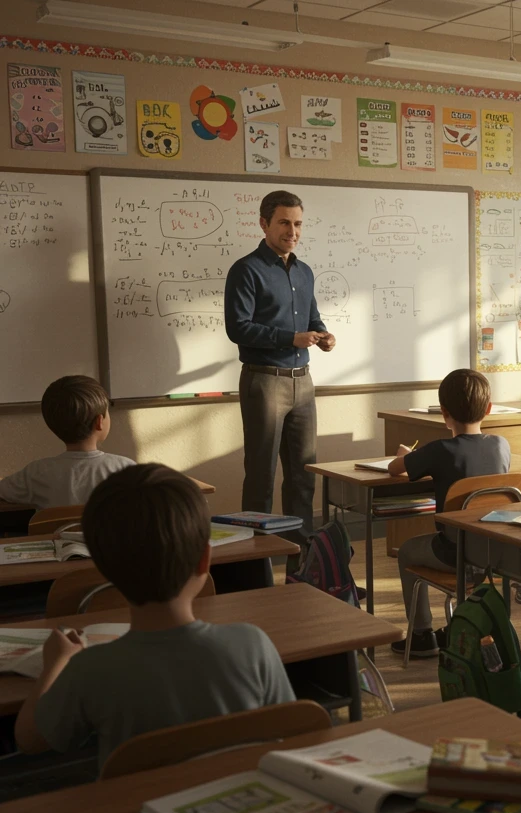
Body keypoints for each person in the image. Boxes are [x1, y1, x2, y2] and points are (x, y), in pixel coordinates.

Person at [13, 464, 295, 770]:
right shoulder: (252, 645)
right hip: (236, 802)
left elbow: (29, 739)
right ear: (205, 560)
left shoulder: (90, 670)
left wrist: (55, 663)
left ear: (102, 569)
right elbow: (292, 732)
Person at [224, 190, 335, 549]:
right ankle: (254, 564)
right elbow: (237, 328)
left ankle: (302, 564)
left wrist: (323, 335)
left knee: (303, 477)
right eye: (284, 222)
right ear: (264, 224)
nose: (293, 230)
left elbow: (312, 317)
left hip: (303, 383)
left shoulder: (304, 272)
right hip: (264, 381)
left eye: (298, 223)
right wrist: (291, 339)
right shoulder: (246, 270)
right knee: (261, 475)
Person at [388, 369, 511, 658]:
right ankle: (462, 624)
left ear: (443, 412)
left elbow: (396, 469)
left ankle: (421, 633)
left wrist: (404, 453)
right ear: (489, 409)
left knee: (406, 551)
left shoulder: (440, 449)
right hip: (495, 553)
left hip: (454, 554)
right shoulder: (501, 445)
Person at [0, 376, 133, 509]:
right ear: (99, 422)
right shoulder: (126, 469)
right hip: (103, 531)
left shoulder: (36, 472)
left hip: (54, 531)